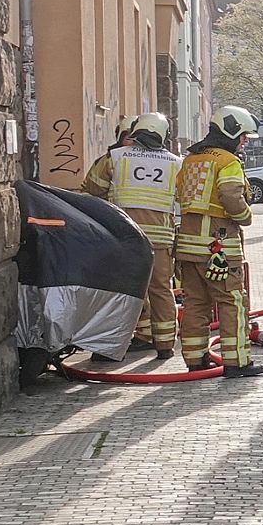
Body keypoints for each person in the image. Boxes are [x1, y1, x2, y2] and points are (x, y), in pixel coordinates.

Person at [83, 111, 180, 361]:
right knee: (161, 290)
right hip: (160, 240)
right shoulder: (175, 163)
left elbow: (91, 189)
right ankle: (165, 345)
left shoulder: (115, 157)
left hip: (125, 238)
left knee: (120, 290)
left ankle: (111, 345)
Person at [175, 105, 263, 377]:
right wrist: (246, 217)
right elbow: (230, 196)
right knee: (231, 301)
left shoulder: (191, 159)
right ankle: (237, 362)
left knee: (195, 303)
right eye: (244, 136)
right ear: (232, 131)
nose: (245, 141)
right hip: (218, 247)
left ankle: (195, 360)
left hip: (188, 247)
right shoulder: (228, 162)